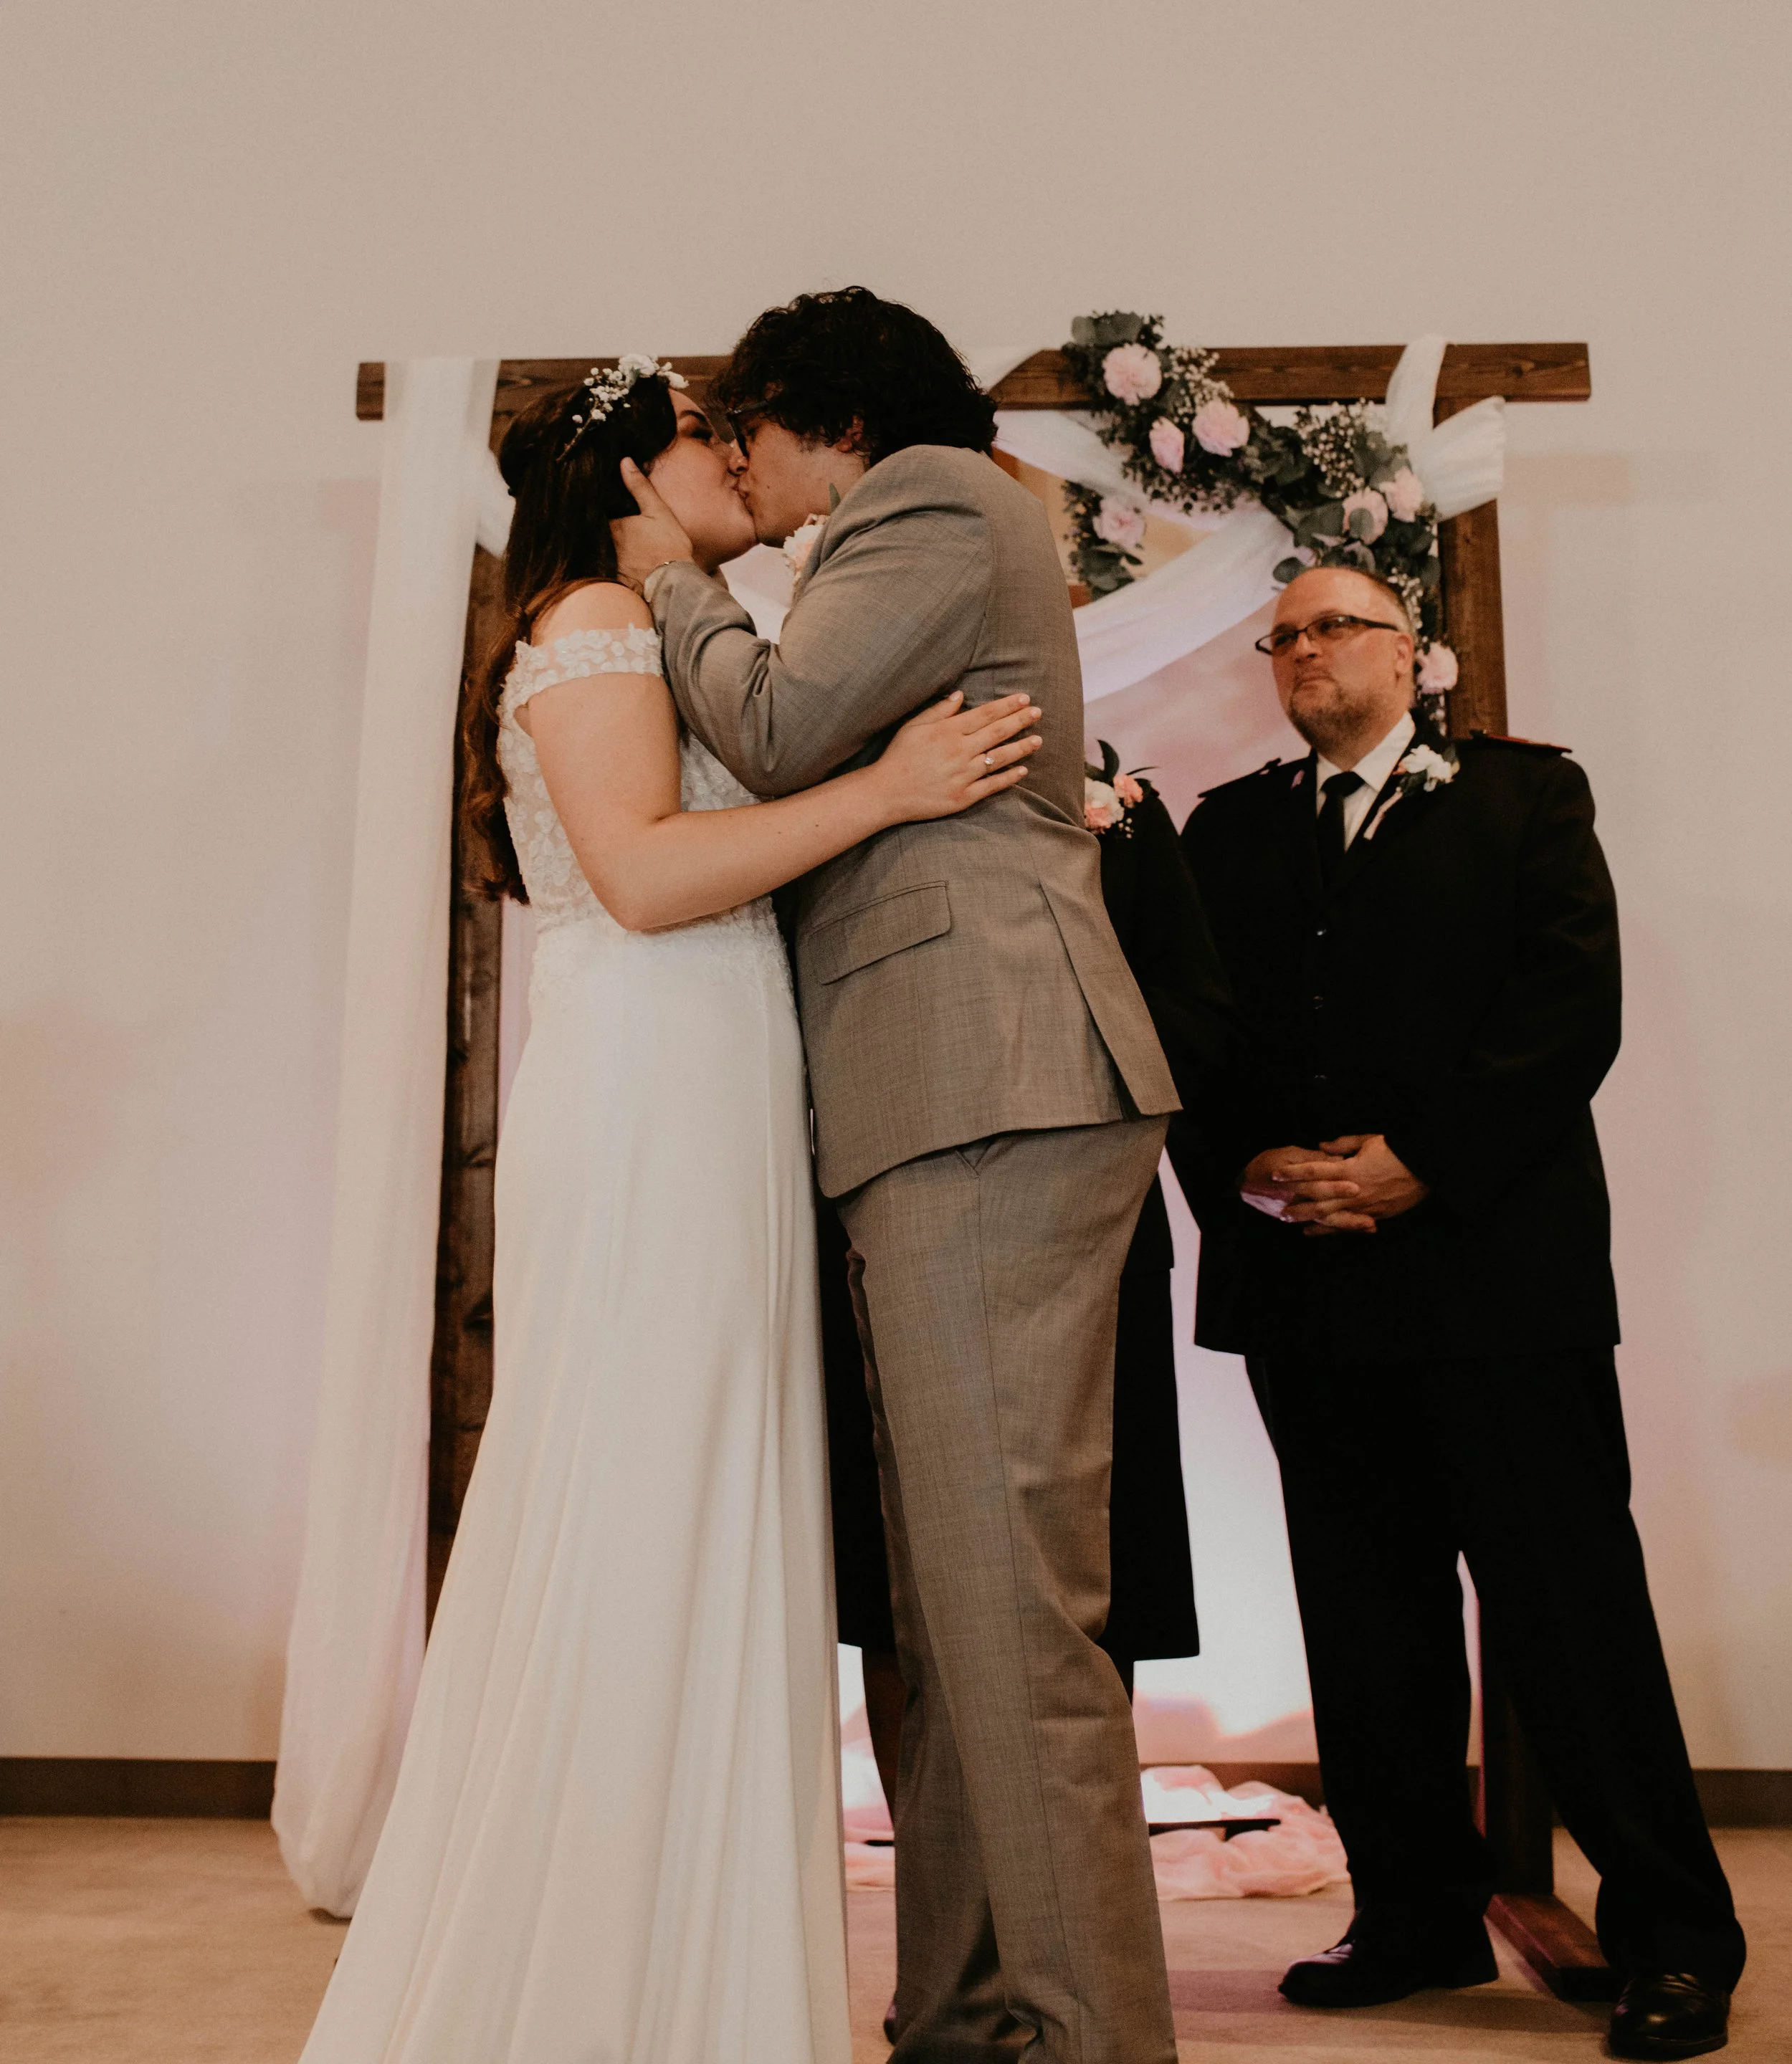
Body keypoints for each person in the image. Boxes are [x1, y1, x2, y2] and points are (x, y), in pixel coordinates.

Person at [295, 359, 1045, 2064]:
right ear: (636, 466)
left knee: (711, 1479)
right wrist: (886, 790)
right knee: (644, 1483)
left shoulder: (651, 620)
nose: (741, 461)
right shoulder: (589, 628)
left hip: (706, 1074)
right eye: (714, 438)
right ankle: (608, 1981)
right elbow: (637, 877)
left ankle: (694, 1964)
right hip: (650, 1079)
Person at [616, 289, 1183, 2064]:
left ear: (830, 422)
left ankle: (1089, 2040)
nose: (741, 473)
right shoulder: (919, 510)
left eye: (750, 437)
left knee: (1008, 1614)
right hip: (933, 1090)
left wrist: (667, 575)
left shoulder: (932, 497)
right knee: (944, 1614)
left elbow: (777, 730)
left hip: (987, 1076)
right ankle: (967, 2019)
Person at [1172, 563, 1745, 2060]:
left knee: (1568, 1613)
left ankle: (1673, 1940)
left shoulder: (1524, 801)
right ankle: (1413, 1915)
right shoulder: (1228, 828)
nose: (1301, 650)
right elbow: (1188, 1024)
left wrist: (1419, 1163)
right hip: (1308, 1285)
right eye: (1280, 635)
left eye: (1332, 626)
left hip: (1497, 1282)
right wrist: (1242, 1156)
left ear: (1409, 654)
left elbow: (1567, 1009)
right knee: (1366, 1624)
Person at [822, 756, 1236, 2045]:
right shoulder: (846, 791)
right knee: (906, 1616)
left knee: (1067, 1607)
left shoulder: (1111, 798)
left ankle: (1071, 1973)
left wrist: (1050, 1065)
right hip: (882, 1225)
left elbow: (1200, 1015)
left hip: (1082, 1237)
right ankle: (948, 1982)